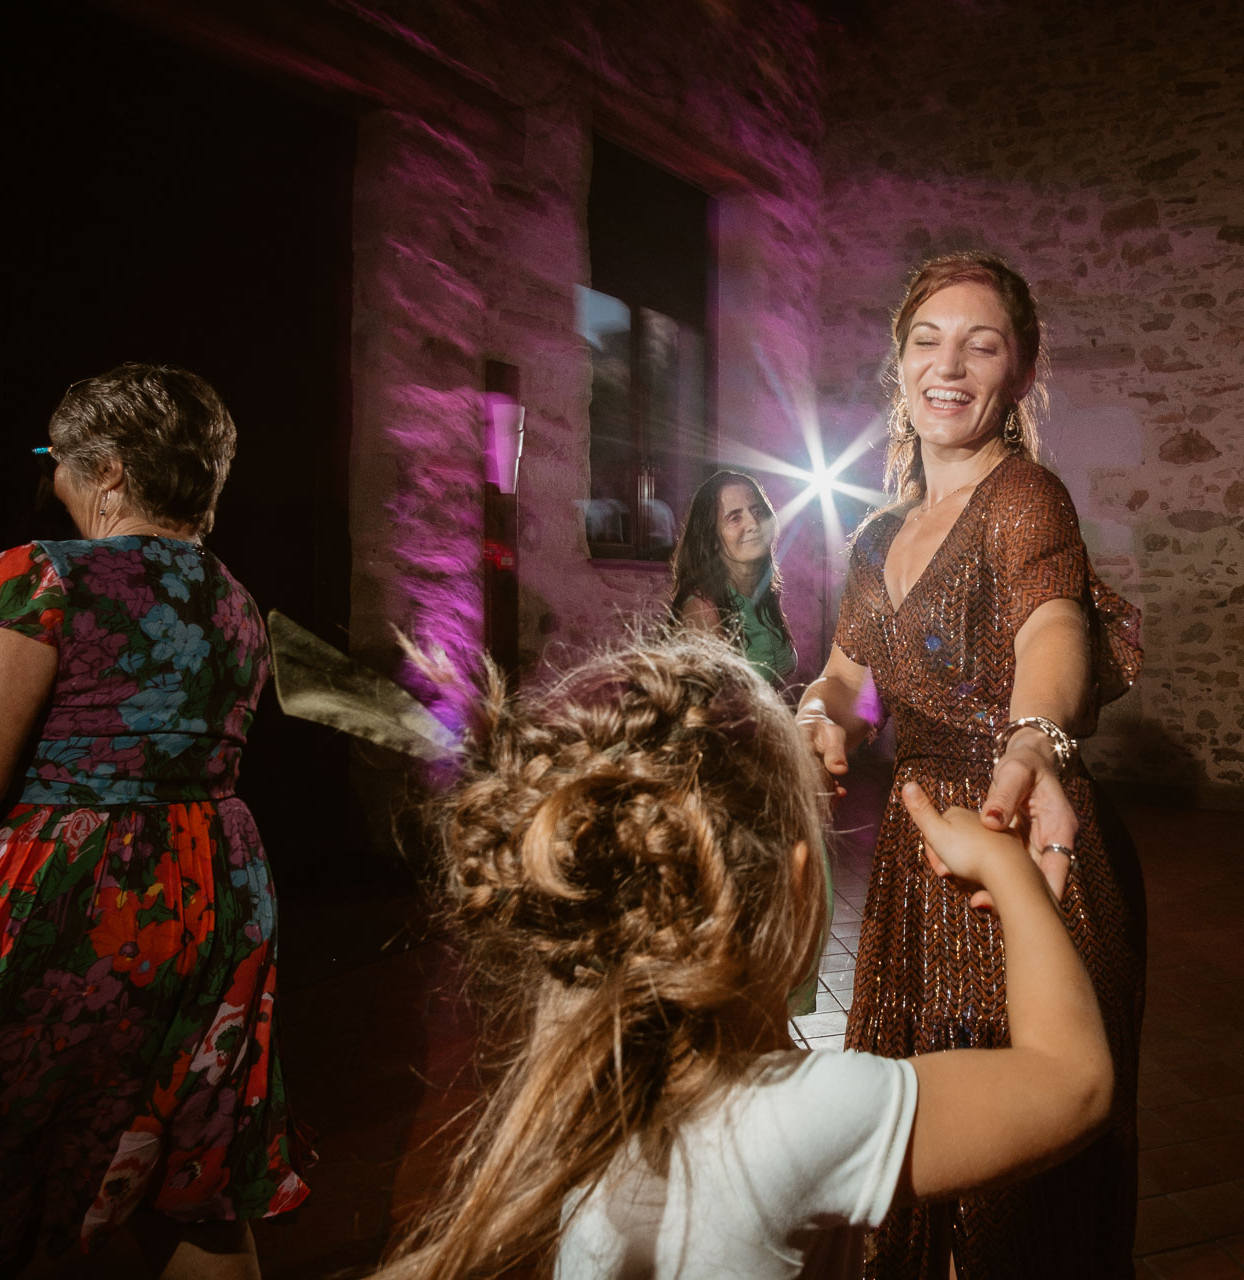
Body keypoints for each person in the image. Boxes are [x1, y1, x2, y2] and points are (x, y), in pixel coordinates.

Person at [370, 636, 1114, 1279]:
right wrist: (1013, 871)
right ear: (798, 890)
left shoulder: (592, 1084)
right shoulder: (794, 1121)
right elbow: (1071, 1082)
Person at [0, 365, 307, 1278]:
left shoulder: (41, 577)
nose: (52, 477)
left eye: (56, 458)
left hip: (74, 901)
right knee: (188, 1175)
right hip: (213, 889)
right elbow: (107, 735)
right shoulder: (233, 601)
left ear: (106, 470)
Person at [794, 252, 1145, 1276]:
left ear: (1017, 374)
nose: (948, 364)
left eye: (979, 343)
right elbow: (846, 682)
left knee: (1019, 1171)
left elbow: (1052, 625)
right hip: (920, 858)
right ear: (897, 367)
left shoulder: (1024, 494)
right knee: (921, 1127)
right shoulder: (873, 536)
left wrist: (1035, 737)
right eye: (926, 340)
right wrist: (815, 718)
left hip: (1024, 843)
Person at [669, 468, 798, 686]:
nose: (754, 525)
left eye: (757, 512)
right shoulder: (704, 608)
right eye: (735, 518)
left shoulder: (764, 591)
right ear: (712, 538)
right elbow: (714, 711)